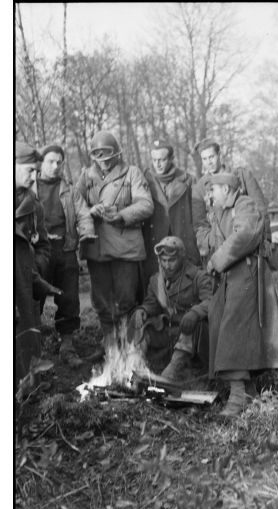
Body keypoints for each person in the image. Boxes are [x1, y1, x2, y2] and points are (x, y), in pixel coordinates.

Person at [201, 173, 278, 417]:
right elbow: (216, 238)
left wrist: (216, 260)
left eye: (214, 190)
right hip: (232, 275)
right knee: (219, 319)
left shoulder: (244, 205)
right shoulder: (222, 210)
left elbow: (243, 237)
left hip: (247, 275)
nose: (211, 195)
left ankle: (239, 394)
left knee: (234, 330)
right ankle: (246, 388)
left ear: (227, 190)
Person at [76, 131, 154, 359]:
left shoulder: (132, 173)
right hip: (97, 249)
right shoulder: (86, 176)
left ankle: (130, 348)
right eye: (97, 155)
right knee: (101, 302)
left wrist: (121, 215)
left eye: (107, 154)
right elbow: (75, 204)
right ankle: (110, 346)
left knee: (126, 300)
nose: (102, 160)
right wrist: (90, 211)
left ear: (117, 153)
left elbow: (146, 205)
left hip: (125, 249)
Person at [36, 145, 96, 367]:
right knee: (34, 298)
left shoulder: (69, 190)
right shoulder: (29, 188)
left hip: (65, 248)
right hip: (39, 251)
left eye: (59, 162)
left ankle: (67, 346)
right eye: (50, 161)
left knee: (69, 298)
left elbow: (83, 214)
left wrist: (87, 232)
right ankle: (32, 349)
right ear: (41, 163)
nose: (55, 166)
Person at [130, 236, 213, 383]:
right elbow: (152, 304)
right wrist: (143, 310)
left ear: (181, 258)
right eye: (163, 260)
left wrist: (195, 313)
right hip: (170, 330)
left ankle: (171, 374)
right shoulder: (156, 280)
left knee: (193, 326)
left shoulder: (198, 277)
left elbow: (211, 301)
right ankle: (137, 368)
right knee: (140, 324)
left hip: (193, 336)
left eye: (171, 260)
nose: (167, 265)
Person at [15, 142, 60, 382]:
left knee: (28, 349)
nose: (35, 176)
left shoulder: (34, 206)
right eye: (29, 170)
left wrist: (34, 270)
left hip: (25, 288)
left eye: (36, 171)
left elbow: (43, 245)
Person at [191, 138, 269, 261]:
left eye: (211, 157)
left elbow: (261, 210)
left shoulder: (242, 176)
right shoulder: (200, 187)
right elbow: (199, 224)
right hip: (218, 248)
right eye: (204, 159)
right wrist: (210, 242)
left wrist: (266, 239)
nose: (208, 162)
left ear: (219, 155)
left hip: (246, 243)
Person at [142, 140, 200, 285]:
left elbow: (198, 215)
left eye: (162, 159)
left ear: (171, 159)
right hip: (154, 245)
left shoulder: (188, 180)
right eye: (154, 160)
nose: (158, 164)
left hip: (182, 242)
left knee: (186, 288)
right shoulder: (144, 181)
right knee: (156, 290)